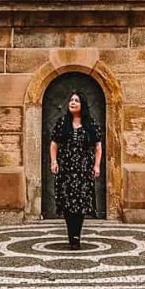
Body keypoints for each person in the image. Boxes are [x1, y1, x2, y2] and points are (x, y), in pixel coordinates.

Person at [50, 90, 102, 249]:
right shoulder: (62, 122)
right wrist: (54, 161)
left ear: (82, 105)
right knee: (67, 203)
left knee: (81, 203)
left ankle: (76, 236)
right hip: (66, 169)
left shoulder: (90, 124)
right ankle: (71, 235)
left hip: (83, 169)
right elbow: (54, 143)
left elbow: (98, 146)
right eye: (71, 100)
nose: (72, 103)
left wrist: (96, 165)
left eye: (76, 100)